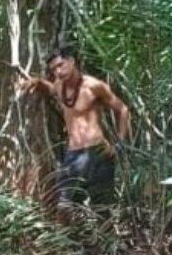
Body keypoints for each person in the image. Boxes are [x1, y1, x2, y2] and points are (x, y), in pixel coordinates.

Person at [19, 46, 131, 210]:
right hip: (74, 155)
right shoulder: (60, 86)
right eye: (53, 69)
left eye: (60, 65)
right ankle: (69, 228)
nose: (58, 71)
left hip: (98, 153)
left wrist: (119, 145)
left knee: (102, 207)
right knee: (64, 206)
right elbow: (51, 89)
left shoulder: (94, 86)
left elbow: (123, 110)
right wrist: (38, 82)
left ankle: (103, 227)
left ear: (71, 61)